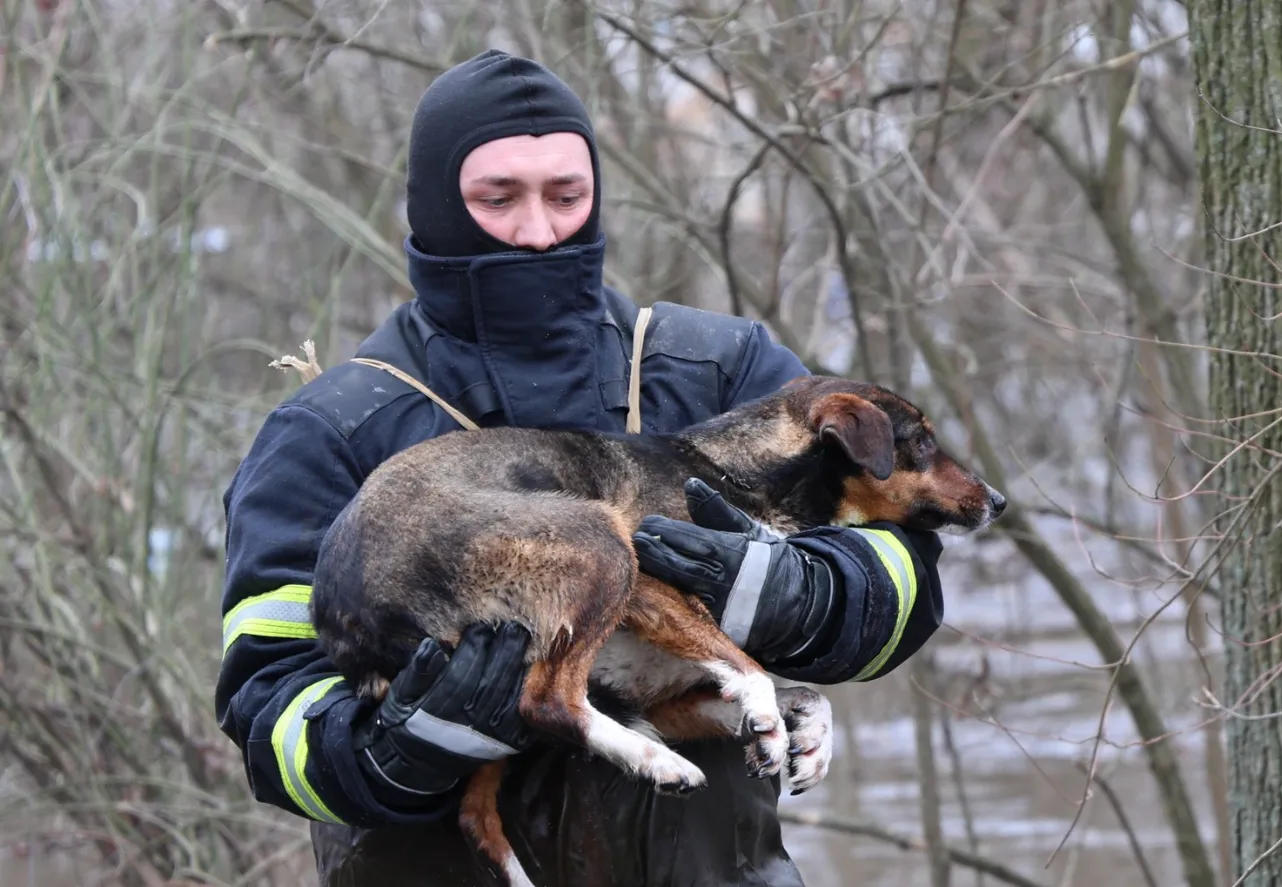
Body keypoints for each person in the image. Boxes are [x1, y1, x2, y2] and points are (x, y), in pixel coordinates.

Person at [214, 49, 947, 887]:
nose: (538, 230)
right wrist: (399, 750)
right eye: (498, 197)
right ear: (433, 205)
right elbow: (265, 702)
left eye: (566, 195)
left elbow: (908, 573)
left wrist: (794, 593)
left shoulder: (720, 371)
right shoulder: (330, 430)